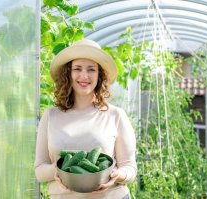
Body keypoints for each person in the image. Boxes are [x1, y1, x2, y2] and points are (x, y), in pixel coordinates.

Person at [34, 39, 137, 199]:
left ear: (99, 75)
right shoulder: (50, 116)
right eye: (77, 68)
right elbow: (40, 171)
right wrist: (60, 170)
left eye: (91, 69)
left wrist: (117, 175)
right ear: (68, 73)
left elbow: (130, 167)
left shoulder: (115, 115)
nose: (84, 76)